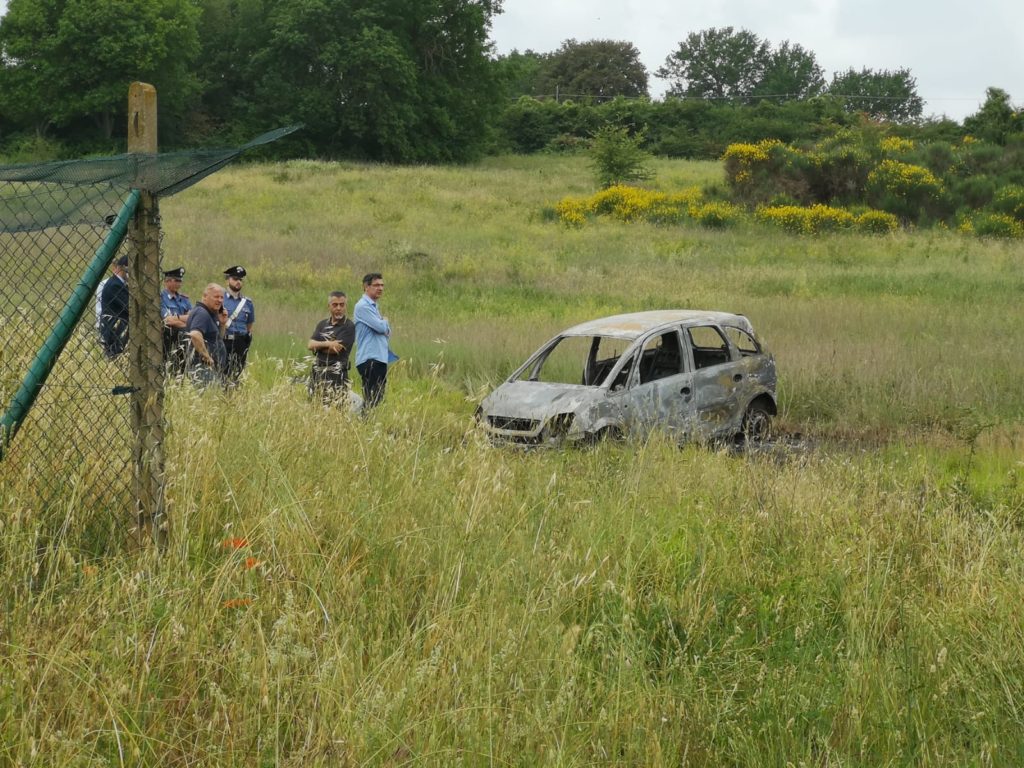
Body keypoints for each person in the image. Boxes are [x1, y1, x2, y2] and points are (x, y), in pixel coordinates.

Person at [308, 291, 357, 406]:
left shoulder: (349, 326)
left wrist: (319, 346)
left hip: (336, 374)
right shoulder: (322, 324)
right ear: (329, 306)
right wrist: (328, 343)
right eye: (335, 305)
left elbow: (334, 350)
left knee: (336, 409)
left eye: (342, 305)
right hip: (318, 373)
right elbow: (310, 345)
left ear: (346, 306)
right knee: (314, 407)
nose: (339, 308)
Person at [353, 272, 392, 408]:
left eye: (382, 285)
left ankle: (367, 419)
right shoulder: (363, 306)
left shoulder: (373, 307)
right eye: (376, 285)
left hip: (379, 357)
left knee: (377, 398)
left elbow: (387, 332)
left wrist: (384, 325)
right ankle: (363, 419)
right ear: (366, 286)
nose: (380, 288)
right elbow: (382, 328)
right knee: (372, 398)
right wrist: (385, 321)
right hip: (370, 358)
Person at [185, 283, 228, 387]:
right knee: (208, 395)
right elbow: (195, 334)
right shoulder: (202, 313)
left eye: (221, 297)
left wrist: (222, 324)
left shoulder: (211, 314)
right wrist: (207, 357)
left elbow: (217, 339)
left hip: (210, 369)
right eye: (216, 297)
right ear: (205, 296)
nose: (220, 300)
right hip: (203, 369)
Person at [222, 265, 255, 384]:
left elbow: (249, 324)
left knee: (237, 373)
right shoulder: (220, 299)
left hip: (240, 342)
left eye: (240, 279)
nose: (238, 282)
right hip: (224, 340)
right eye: (235, 279)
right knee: (222, 372)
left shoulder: (247, 302)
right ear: (228, 280)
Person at [160, 267, 192, 376]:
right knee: (166, 366)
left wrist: (176, 318)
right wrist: (184, 320)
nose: (179, 283)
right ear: (167, 281)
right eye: (177, 280)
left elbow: (192, 318)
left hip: (184, 339)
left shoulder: (184, 299)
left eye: (180, 281)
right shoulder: (161, 298)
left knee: (182, 368)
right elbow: (167, 320)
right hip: (168, 338)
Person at [99, 255, 129, 358]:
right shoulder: (115, 285)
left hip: (118, 331)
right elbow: (130, 307)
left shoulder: (120, 284)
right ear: (122, 268)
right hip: (115, 331)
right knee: (115, 358)